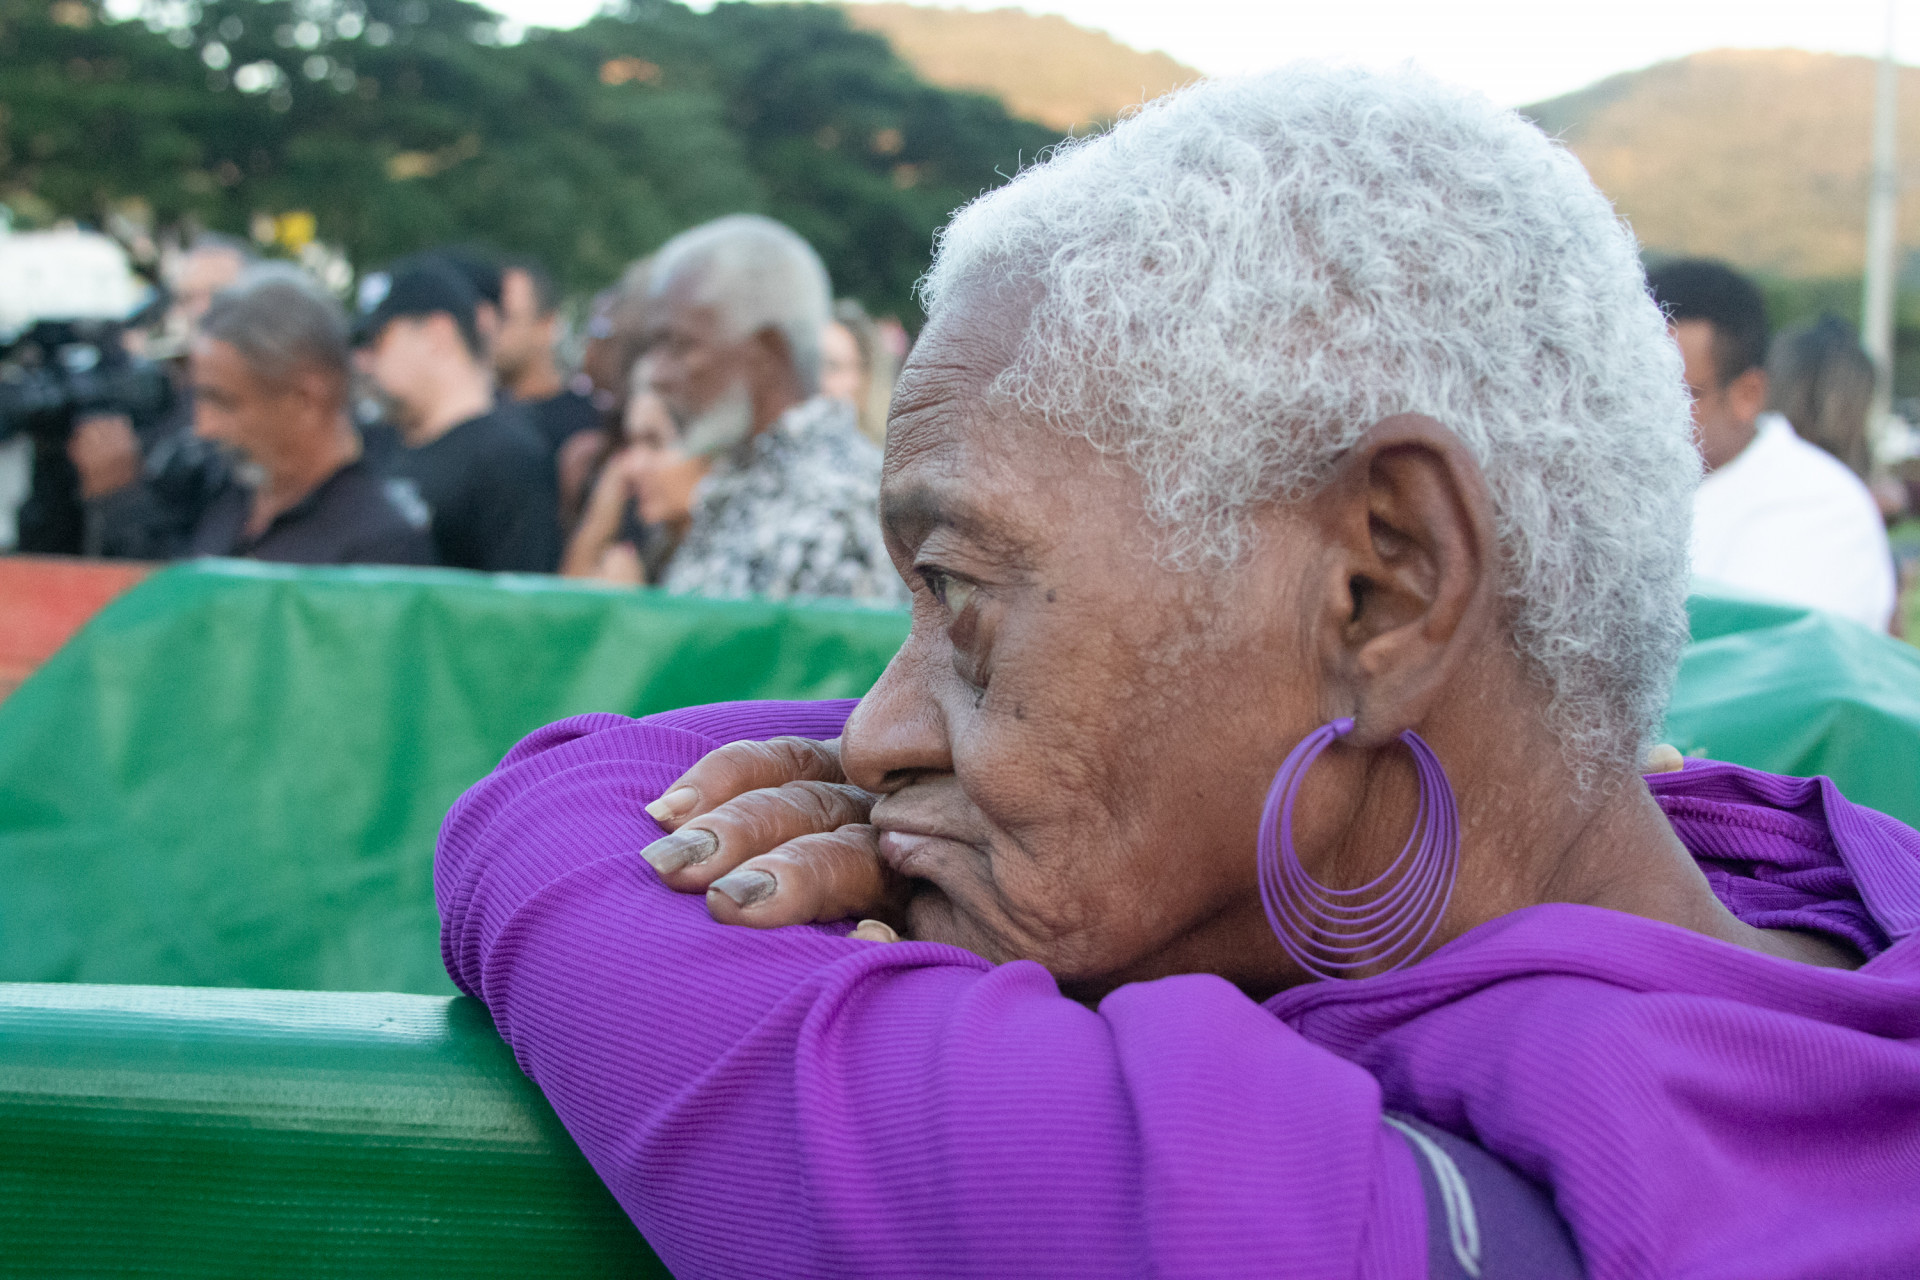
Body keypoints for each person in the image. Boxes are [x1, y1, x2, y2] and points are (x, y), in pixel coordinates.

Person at [439, 68, 1920, 1278]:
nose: (880, 734)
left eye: (961, 592)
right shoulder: (1804, 868)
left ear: (1381, 591)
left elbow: (552, 816)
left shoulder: (1289, 1215)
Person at [567, 215, 903, 603]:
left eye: (679, 345)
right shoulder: (743, 476)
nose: (656, 374)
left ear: (765, 352)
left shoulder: (839, 506)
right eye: (654, 345)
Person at [1647, 259, 1896, 630]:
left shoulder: (1817, 509)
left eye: (1671, 394)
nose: (1639, 411)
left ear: (1748, 394)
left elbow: (1744, 670)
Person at [184, 265, 434, 565]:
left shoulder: (379, 544)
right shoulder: (227, 503)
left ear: (306, 400)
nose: (204, 427)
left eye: (225, 403)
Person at [356, 257, 560, 573]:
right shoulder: (376, 442)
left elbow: (520, 601)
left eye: (379, 341)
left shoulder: (507, 457)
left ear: (438, 335)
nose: (367, 362)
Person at [70, 234, 252, 558]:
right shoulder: (161, 399)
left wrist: (119, 496)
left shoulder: (261, 418)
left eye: (218, 296)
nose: (201, 310)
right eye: (187, 298)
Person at [495, 256, 601, 457]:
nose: (490, 330)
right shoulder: (471, 413)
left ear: (548, 324)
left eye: (505, 317)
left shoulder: (586, 423)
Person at [819, 298, 896, 446]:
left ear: (866, 376)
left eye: (833, 367)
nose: (821, 380)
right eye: (815, 365)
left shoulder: (881, 459)